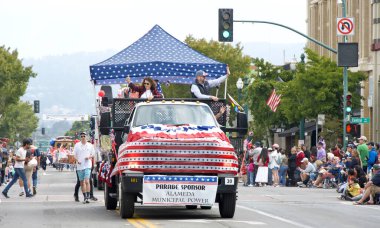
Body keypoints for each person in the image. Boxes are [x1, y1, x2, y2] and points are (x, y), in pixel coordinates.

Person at [74, 132, 95, 204]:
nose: (83, 137)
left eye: (84, 136)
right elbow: (74, 155)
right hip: (79, 166)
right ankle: (85, 196)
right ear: (80, 137)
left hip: (87, 165)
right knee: (81, 183)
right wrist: (77, 160)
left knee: (87, 181)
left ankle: (88, 197)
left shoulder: (90, 145)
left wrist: (89, 157)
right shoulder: (77, 145)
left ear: (86, 137)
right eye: (82, 136)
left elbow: (93, 154)